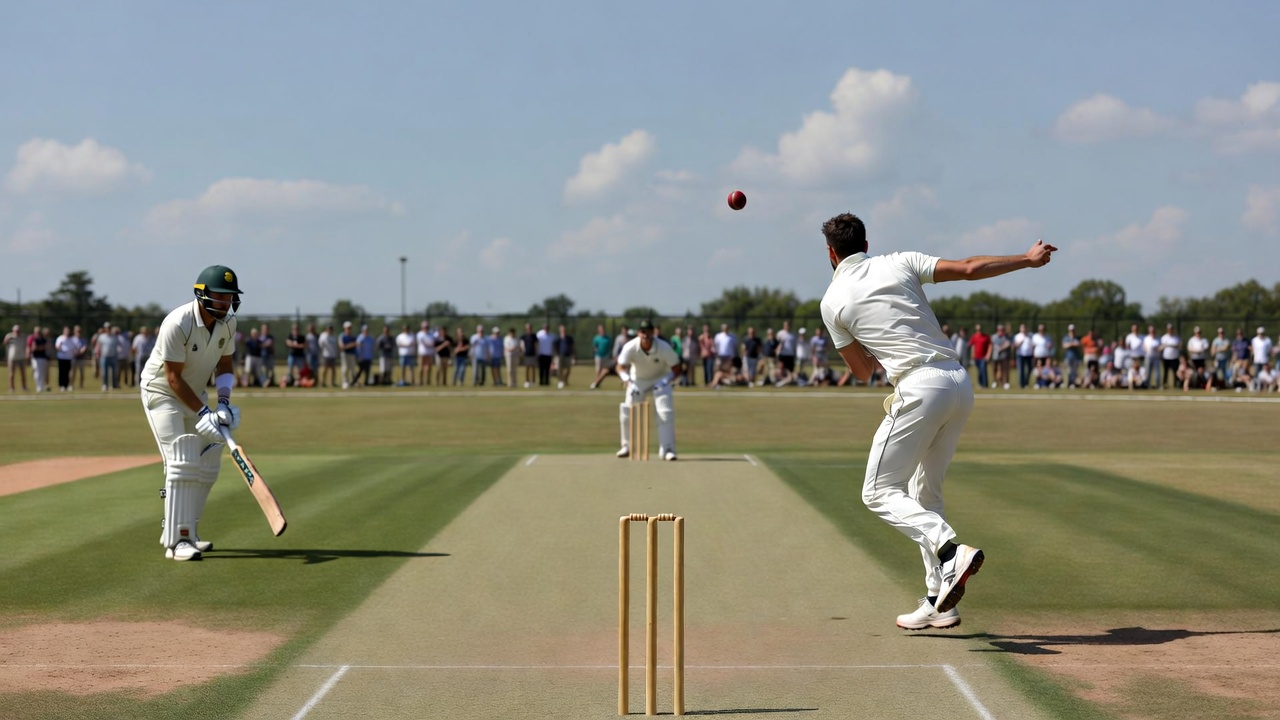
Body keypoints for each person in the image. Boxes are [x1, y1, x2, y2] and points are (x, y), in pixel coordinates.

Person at [817, 212, 1056, 630]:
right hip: (959, 383)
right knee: (924, 493)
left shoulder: (832, 301)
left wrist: (877, 337)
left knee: (877, 492)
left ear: (831, 253)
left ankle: (950, 552)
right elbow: (967, 268)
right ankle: (938, 601)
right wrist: (1027, 259)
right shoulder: (899, 261)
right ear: (866, 244)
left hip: (919, 387)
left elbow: (861, 372)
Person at [139, 265, 244, 561]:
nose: (225, 302)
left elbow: (225, 365)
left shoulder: (228, 324)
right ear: (202, 294)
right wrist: (203, 413)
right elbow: (173, 378)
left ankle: (189, 531)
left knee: (207, 462)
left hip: (194, 392)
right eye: (220, 296)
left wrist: (222, 404)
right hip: (162, 392)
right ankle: (176, 541)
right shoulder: (178, 322)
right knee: (181, 460)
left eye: (230, 296)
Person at [615, 320, 682, 460]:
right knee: (627, 409)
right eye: (642, 331)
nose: (645, 334)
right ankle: (626, 446)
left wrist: (665, 381)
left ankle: (668, 449)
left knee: (665, 412)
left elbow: (677, 368)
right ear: (639, 333)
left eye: (648, 331)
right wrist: (627, 380)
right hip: (638, 380)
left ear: (653, 332)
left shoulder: (663, 347)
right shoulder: (630, 346)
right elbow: (620, 366)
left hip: (660, 379)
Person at [5, 324, 29, 392]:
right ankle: (12, 388)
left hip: (21, 357)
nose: (17, 332)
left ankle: (24, 387)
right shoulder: (9, 336)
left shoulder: (23, 337)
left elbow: (26, 346)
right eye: (16, 331)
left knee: (23, 373)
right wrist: (8, 339)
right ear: (13, 331)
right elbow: (5, 343)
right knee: (11, 373)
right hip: (12, 358)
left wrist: (27, 353)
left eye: (18, 331)